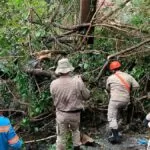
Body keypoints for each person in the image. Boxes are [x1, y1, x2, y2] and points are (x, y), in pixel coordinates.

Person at [50, 58, 90, 150]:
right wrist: (81, 83)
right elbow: (87, 96)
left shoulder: (53, 84)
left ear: (59, 70)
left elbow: (54, 98)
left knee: (61, 137)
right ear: (69, 69)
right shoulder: (77, 81)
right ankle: (76, 147)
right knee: (75, 131)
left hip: (61, 114)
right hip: (75, 114)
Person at [106, 60, 139, 144]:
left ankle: (116, 137)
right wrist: (128, 90)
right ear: (120, 67)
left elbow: (107, 88)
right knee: (119, 115)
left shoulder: (110, 78)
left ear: (112, 70)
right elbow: (136, 86)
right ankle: (118, 131)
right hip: (126, 100)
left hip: (115, 100)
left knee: (111, 117)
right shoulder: (128, 76)